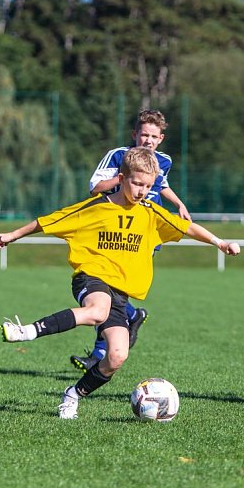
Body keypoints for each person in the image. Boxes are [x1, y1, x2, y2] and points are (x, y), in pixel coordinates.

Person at [0, 147, 240, 419]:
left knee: (117, 356)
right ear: (121, 178)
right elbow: (48, 221)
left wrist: (219, 242)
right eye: (136, 183)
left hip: (120, 294)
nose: (141, 191)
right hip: (92, 276)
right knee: (97, 310)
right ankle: (26, 331)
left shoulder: (150, 213)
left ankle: (72, 395)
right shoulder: (96, 206)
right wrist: (12, 235)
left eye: (147, 186)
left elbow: (186, 227)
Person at [69, 109, 191, 373]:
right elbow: (95, 187)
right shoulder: (117, 156)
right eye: (144, 134)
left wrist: (179, 203)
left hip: (144, 231)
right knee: (110, 290)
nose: (148, 140)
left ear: (161, 138)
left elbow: (162, 185)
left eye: (153, 136)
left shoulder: (164, 160)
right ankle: (131, 317)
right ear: (135, 134)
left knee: (114, 290)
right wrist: (125, 176)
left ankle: (101, 352)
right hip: (112, 228)